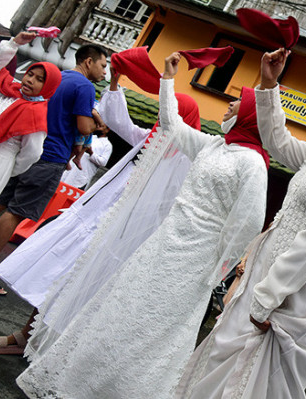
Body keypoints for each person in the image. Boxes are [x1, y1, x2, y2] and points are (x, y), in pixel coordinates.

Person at [16, 51, 270, 399]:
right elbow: (171, 123)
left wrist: (220, 266)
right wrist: (168, 78)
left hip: (197, 257)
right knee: (125, 310)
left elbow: (249, 221)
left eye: (235, 105)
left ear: (252, 117)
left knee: (157, 328)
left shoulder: (253, 164)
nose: (226, 108)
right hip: (163, 243)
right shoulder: (213, 146)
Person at [175, 48, 306, 399]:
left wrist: (268, 296)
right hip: (267, 282)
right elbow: (278, 141)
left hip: (300, 298)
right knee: (221, 368)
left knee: (258, 385)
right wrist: (269, 84)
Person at [0, 66, 199, 355]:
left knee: (87, 297)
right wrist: (117, 81)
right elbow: (120, 121)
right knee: (58, 279)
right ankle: (27, 337)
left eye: (168, 113)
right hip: (94, 223)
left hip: (122, 240)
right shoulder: (150, 140)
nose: (161, 118)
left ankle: (52, 353)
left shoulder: (186, 161)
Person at [0, 43, 107, 295]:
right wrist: (98, 126)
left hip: (25, 149)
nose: (105, 72)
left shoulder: (57, 77)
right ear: (89, 61)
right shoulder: (84, 86)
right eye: (103, 66)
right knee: (16, 213)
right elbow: (83, 128)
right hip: (49, 157)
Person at [0, 33, 61, 277]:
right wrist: (15, 42)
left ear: (48, 88)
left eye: (39, 79)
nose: (31, 80)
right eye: (30, 74)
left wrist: (6, 167)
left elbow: (32, 153)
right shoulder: (8, 91)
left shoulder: (36, 113)